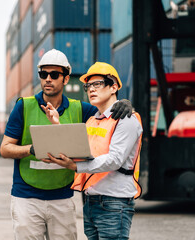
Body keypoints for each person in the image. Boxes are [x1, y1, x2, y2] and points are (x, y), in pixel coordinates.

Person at [0, 49, 133, 240]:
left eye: (54, 75)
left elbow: (108, 113)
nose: (47, 79)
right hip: (26, 197)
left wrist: (125, 104)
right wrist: (31, 149)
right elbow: (5, 149)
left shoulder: (81, 109)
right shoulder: (24, 106)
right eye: (43, 74)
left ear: (66, 79)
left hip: (62, 198)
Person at [42, 62, 143, 240]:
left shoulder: (126, 119)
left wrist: (76, 166)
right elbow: (79, 149)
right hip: (92, 201)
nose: (91, 90)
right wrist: (56, 125)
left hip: (114, 202)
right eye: (88, 86)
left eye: (97, 84)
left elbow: (115, 160)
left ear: (114, 87)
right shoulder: (92, 121)